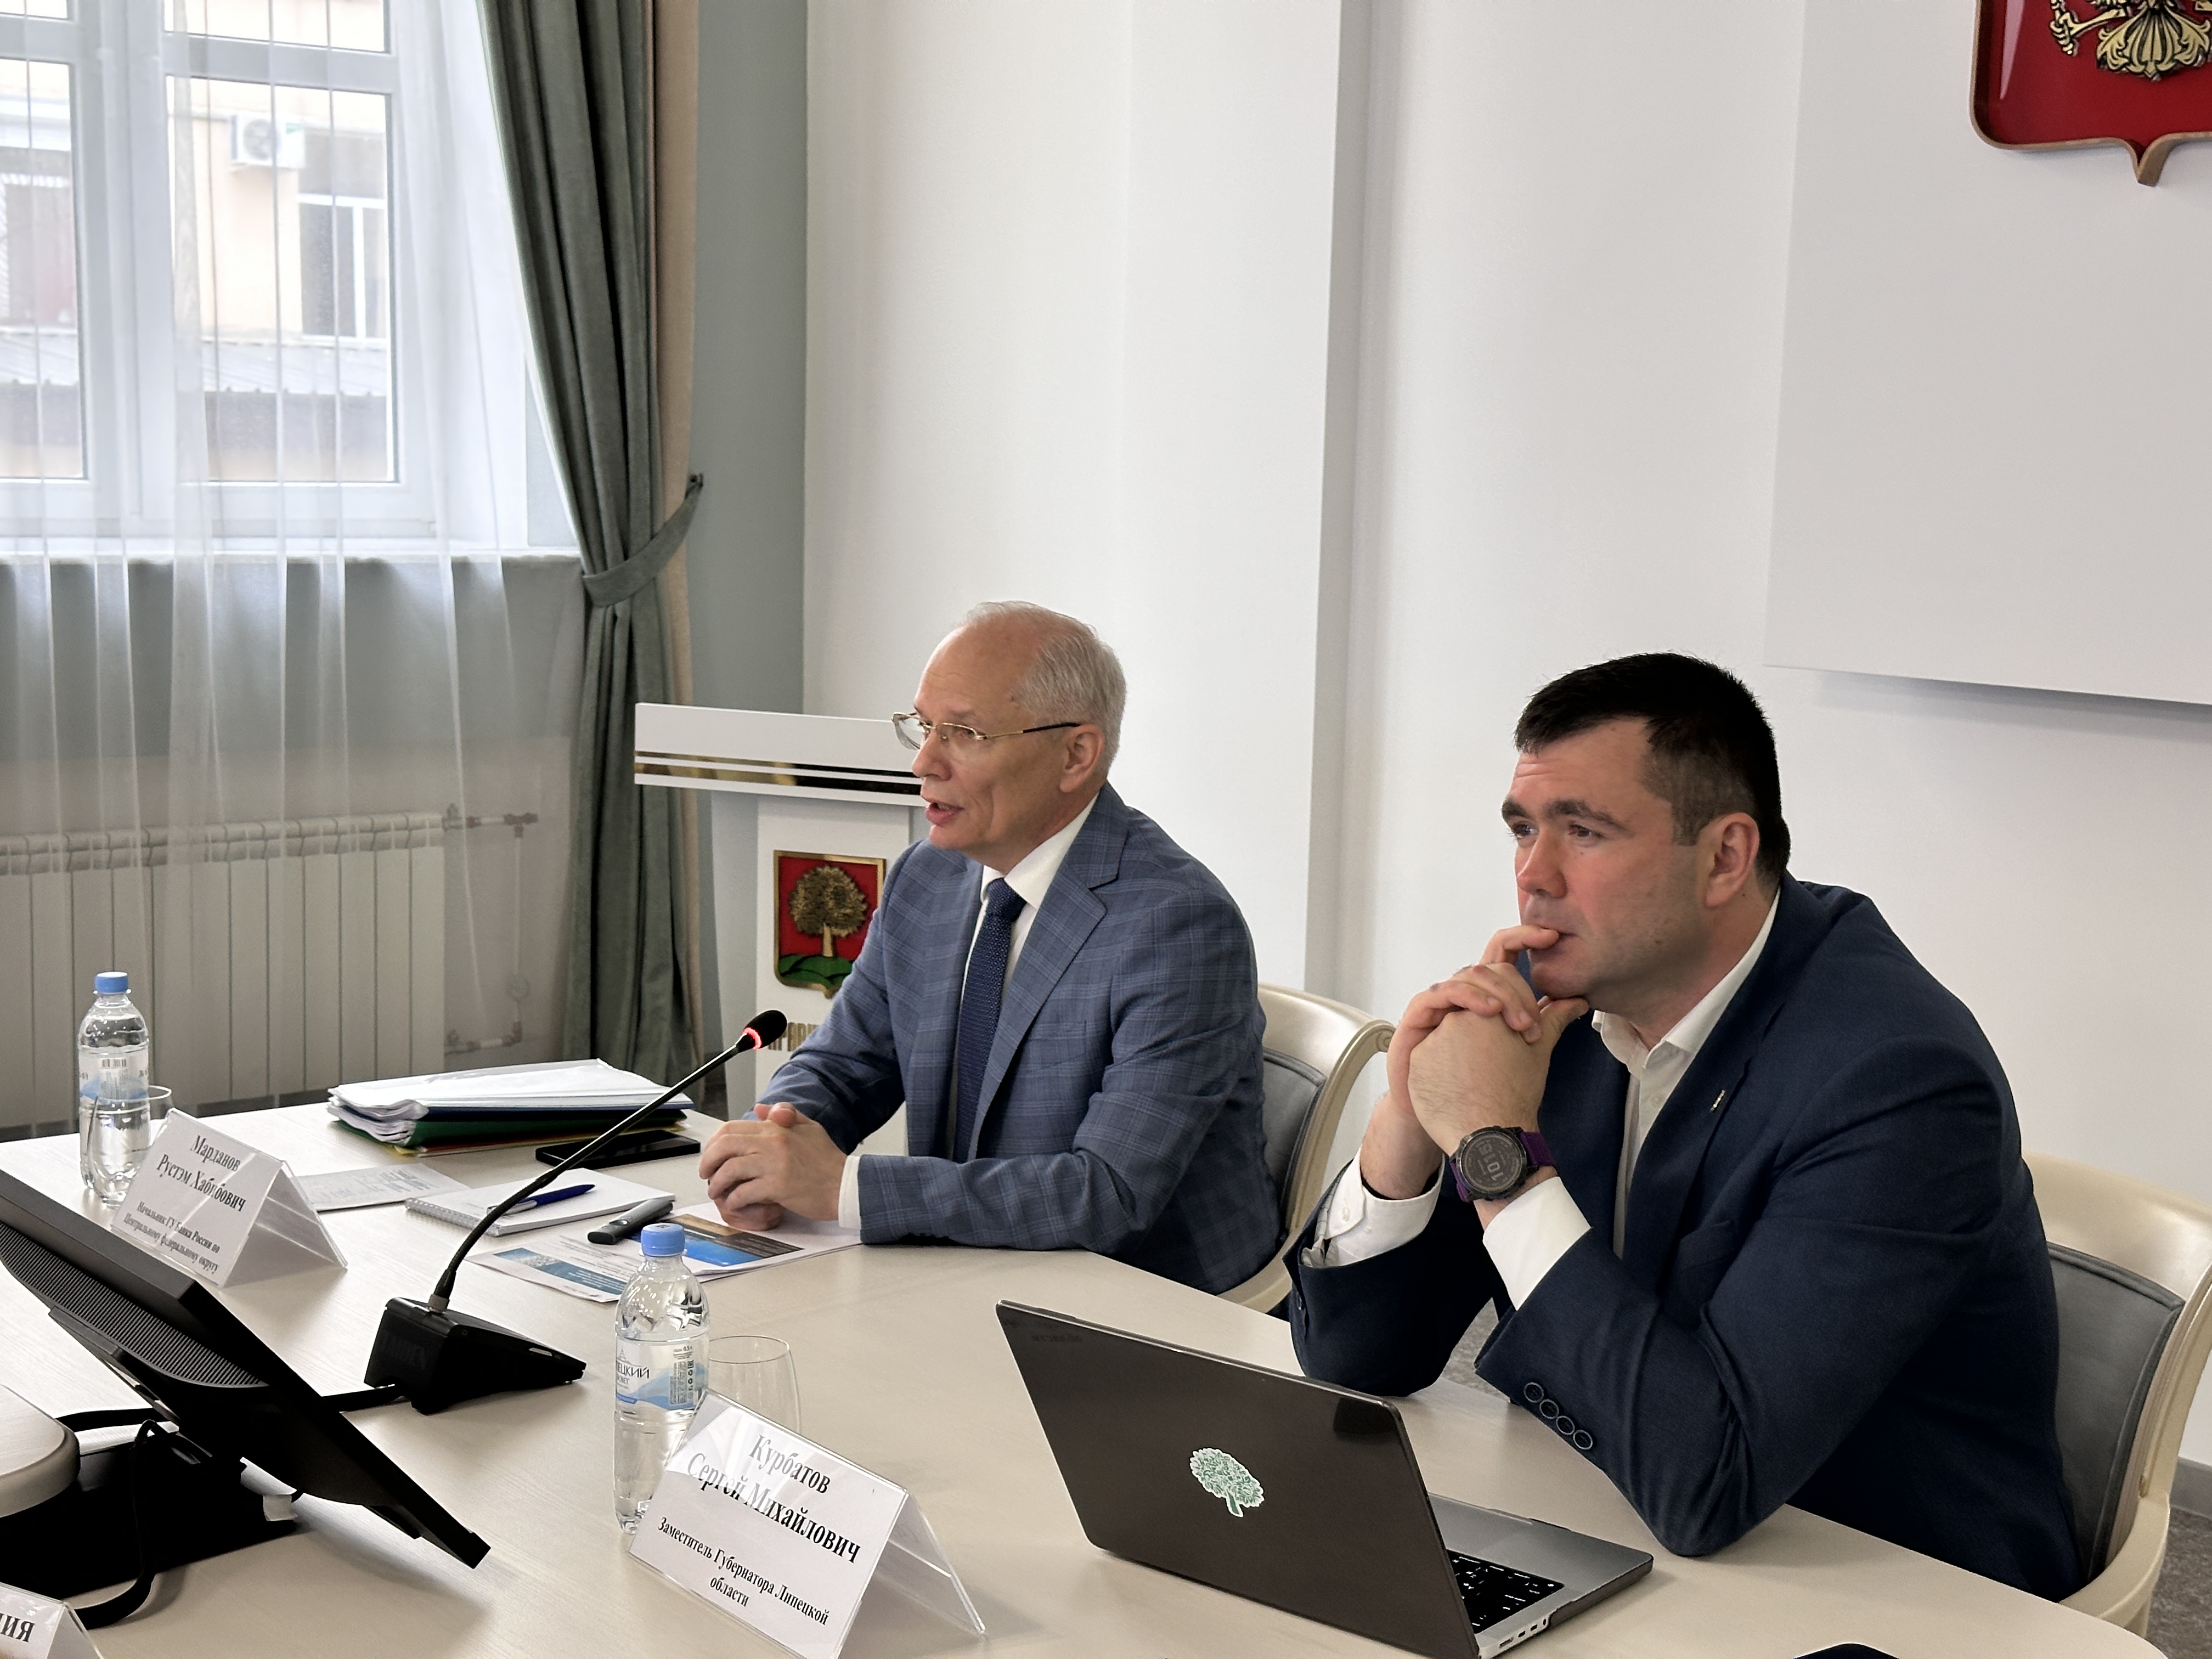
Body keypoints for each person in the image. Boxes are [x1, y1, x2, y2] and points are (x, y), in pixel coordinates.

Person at [1286, 653, 2081, 1598]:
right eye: (1523, 829)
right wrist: (1413, 1113)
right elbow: (1360, 1358)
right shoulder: (1562, 1008)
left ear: (1724, 858)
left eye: (1583, 831)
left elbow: (1709, 1477)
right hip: (1613, 1520)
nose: (1533, 875)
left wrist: (1499, 1153)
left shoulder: (1900, 1081)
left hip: (1885, 1588)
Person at [697, 600, 1280, 1294]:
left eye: (965, 733)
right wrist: (768, 1150)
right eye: (923, 726)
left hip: (1147, 1307)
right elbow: (845, 1063)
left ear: (1076, 755)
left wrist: (844, 1189)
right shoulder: (927, 877)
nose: (924, 762)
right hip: (966, 1267)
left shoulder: (1177, 926)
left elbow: (1109, 1193)